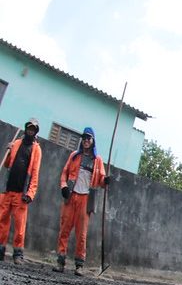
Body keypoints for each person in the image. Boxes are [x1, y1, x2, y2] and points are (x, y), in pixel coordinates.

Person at [53, 127, 110, 276]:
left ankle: (79, 265)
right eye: (84, 138)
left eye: (89, 138)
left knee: (81, 234)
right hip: (71, 196)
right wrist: (64, 187)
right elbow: (64, 173)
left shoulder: (97, 160)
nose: (86, 140)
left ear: (93, 141)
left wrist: (106, 181)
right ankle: (60, 261)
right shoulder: (74, 156)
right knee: (64, 229)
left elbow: (101, 180)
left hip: (86, 199)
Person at [0, 118, 43, 264]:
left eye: (33, 129)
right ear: (26, 129)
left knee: (19, 226)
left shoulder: (36, 149)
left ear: (35, 132)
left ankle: (18, 254)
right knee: (2, 221)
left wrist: (30, 193)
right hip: (8, 190)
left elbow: (35, 173)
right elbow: (7, 164)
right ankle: (0, 250)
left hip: (21, 193)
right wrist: (8, 149)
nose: (30, 131)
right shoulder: (16, 143)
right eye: (29, 128)